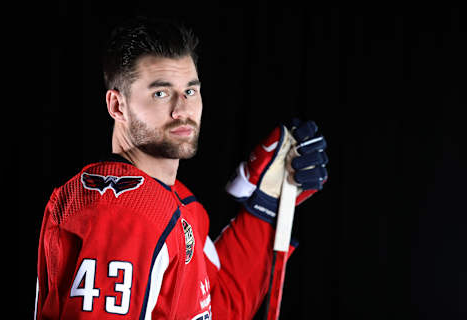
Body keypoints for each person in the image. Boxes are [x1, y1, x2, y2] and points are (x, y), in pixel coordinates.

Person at [35, 16, 329, 319]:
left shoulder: (177, 203)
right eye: (160, 93)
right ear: (117, 106)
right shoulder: (119, 211)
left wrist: (265, 206)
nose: (182, 110)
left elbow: (216, 308)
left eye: (190, 91)